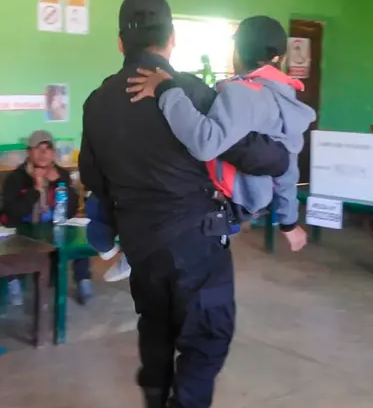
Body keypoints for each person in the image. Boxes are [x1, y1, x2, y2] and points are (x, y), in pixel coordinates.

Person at [79, 0, 292, 408]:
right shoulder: (188, 90)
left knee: (156, 329)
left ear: (120, 43)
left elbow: (94, 177)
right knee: (207, 338)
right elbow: (251, 152)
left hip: (141, 246)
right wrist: (283, 157)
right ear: (171, 39)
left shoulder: (96, 103)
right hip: (196, 241)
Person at [127, 15, 315, 252]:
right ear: (280, 58)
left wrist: (166, 90)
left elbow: (205, 144)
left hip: (224, 200)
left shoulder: (241, 93)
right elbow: (288, 166)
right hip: (254, 200)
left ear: (238, 52)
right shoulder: (285, 96)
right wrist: (288, 222)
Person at [0, 130, 92, 305]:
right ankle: (13, 283)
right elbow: (13, 212)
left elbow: (70, 211)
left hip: (53, 228)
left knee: (79, 240)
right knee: (10, 246)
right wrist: (36, 189)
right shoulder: (16, 178)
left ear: (53, 153)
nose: (43, 153)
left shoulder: (61, 174)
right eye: (38, 148)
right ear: (29, 152)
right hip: (24, 229)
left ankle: (83, 281)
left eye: (48, 148)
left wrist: (58, 184)